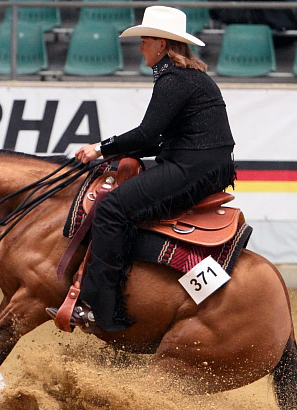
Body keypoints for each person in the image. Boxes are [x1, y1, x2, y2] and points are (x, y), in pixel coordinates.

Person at [48, 6, 237, 332]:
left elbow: (148, 134)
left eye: (145, 40)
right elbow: (159, 137)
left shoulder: (173, 79)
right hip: (201, 164)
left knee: (111, 209)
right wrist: (115, 152)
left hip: (191, 168)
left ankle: (102, 310)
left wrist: (100, 148)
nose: (140, 47)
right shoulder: (188, 77)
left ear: (162, 45)